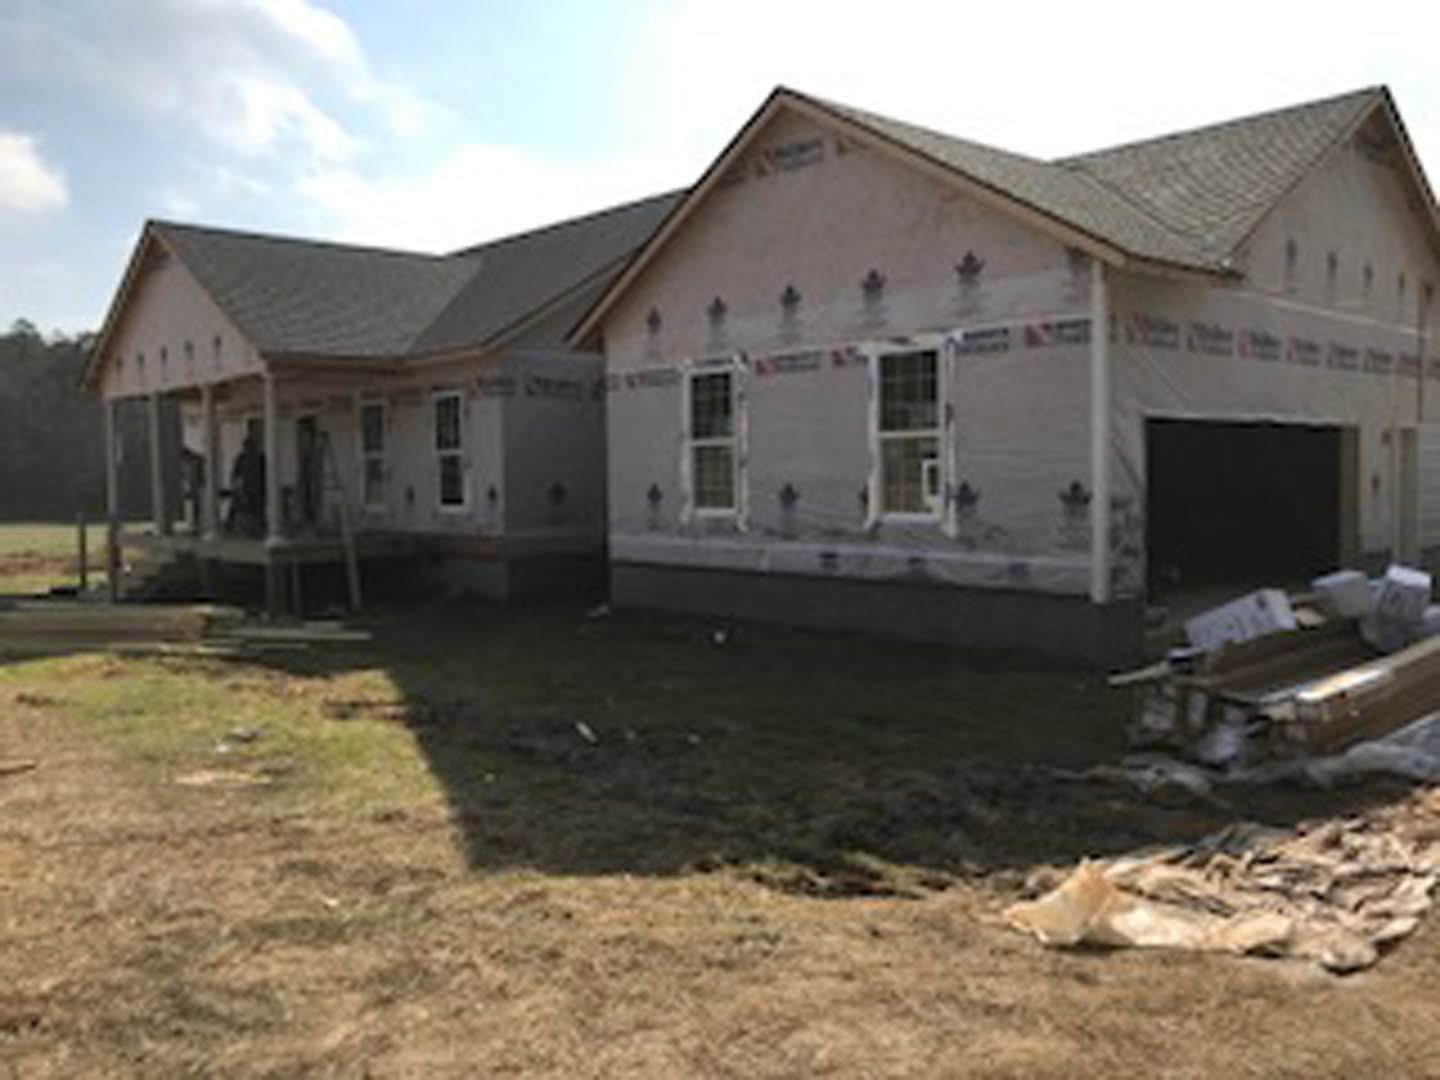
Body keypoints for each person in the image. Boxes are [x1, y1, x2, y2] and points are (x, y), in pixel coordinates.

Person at [229, 434, 266, 537]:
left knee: (256, 510)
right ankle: (245, 530)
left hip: (257, 489)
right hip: (245, 488)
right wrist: (237, 488)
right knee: (244, 510)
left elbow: (265, 474)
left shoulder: (260, 458)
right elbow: (236, 475)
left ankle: (256, 530)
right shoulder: (241, 459)